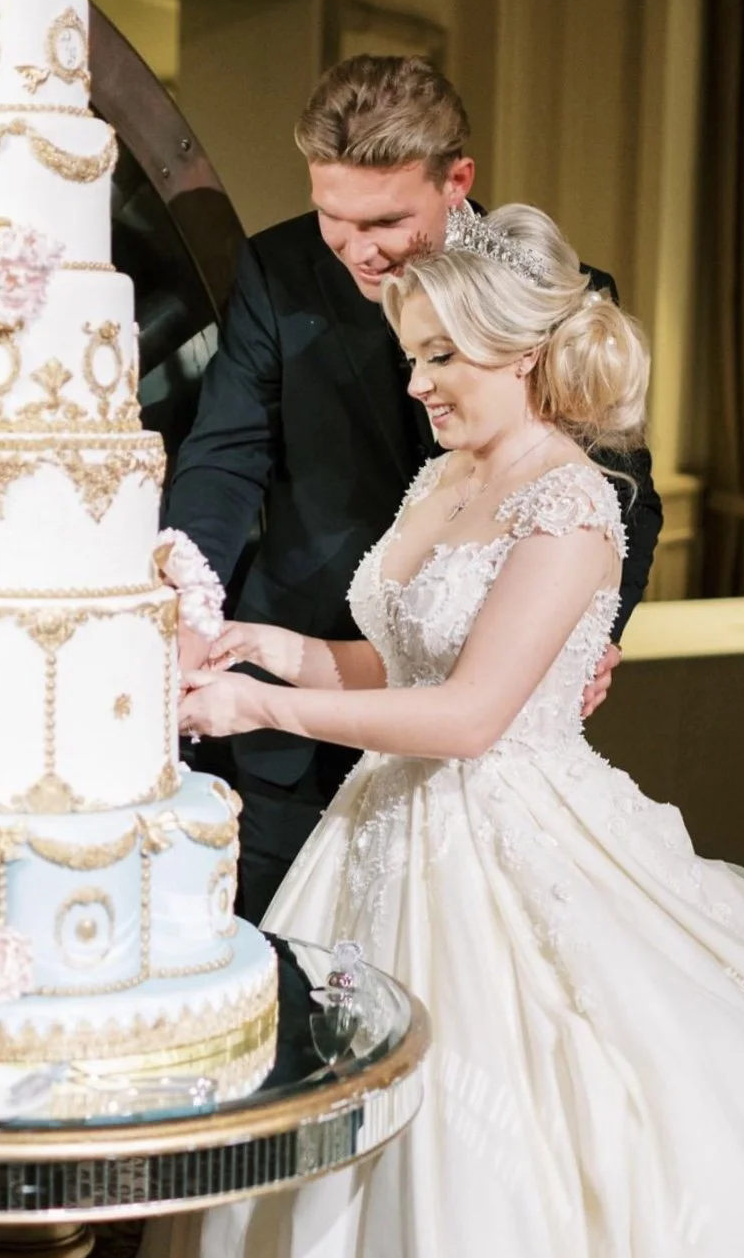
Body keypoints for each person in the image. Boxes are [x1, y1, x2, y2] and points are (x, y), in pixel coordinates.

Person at [151, 206, 744, 1258]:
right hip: (380, 823)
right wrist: (264, 646)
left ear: (522, 352)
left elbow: (470, 716)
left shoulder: (571, 503)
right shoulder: (444, 477)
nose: (417, 381)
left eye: (440, 355)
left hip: (508, 829)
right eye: (412, 354)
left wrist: (264, 706)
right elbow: (406, 664)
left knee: (503, 1120)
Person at [165, 55, 663, 925]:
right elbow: (223, 458)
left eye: (388, 219)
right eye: (334, 217)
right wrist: (190, 600)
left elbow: (621, 496)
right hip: (308, 677)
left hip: (476, 734)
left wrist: (586, 634)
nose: (360, 247)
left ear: (456, 181)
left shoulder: (551, 297)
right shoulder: (280, 272)